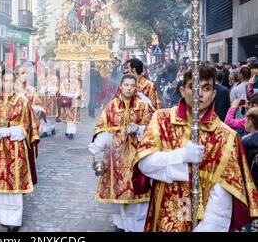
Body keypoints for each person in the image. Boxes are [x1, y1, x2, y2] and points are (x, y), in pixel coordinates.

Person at [133, 65, 258, 232]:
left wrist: (206, 228)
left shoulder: (226, 136)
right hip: (165, 216)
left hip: (205, 221)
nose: (199, 94)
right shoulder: (162, 120)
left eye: (206, 88)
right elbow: (145, 164)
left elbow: (223, 199)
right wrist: (181, 156)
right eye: (194, 87)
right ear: (183, 91)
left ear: (213, 94)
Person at [0, 68, 40, 232]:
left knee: (13, 183)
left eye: (11, 81)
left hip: (15, 150)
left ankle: (13, 220)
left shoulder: (23, 101)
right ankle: (1, 216)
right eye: (5, 81)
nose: (8, 84)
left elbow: (30, 126)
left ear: (15, 82)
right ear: (1, 82)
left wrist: (11, 131)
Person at [87, 74, 152, 232]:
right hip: (115, 157)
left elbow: (152, 130)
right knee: (116, 190)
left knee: (135, 190)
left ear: (135, 87)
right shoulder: (111, 106)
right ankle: (119, 224)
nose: (129, 88)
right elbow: (102, 127)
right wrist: (98, 144)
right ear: (120, 86)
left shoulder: (143, 106)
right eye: (126, 85)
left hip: (136, 156)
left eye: (132, 85)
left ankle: (135, 224)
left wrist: (139, 129)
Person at [59, 65, 83, 139]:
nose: (71, 74)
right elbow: (61, 89)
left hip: (74, 102)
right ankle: (68, 131)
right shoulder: (64, 81)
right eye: (70, 72)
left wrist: (74, 95)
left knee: (73, 118)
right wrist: (66, 94)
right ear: (68, 73)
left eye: (73, 72)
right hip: (67, 101)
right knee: (67, 118)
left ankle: (71, 132)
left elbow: (79, 91)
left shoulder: (77, 82)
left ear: (74, 73)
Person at [38, 64, 59, 137]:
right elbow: (38, 87)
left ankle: (52, 127)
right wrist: (42, 89)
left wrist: (51, 89)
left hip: (51, 98)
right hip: (43, 98)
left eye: (48, 69)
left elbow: (57, 87)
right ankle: (45, 131)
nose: (46, 70)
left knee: (52, 115)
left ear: (50, 70)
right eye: (45, 69)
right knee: (44, 114)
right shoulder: (40, 78)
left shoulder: (54, 78)